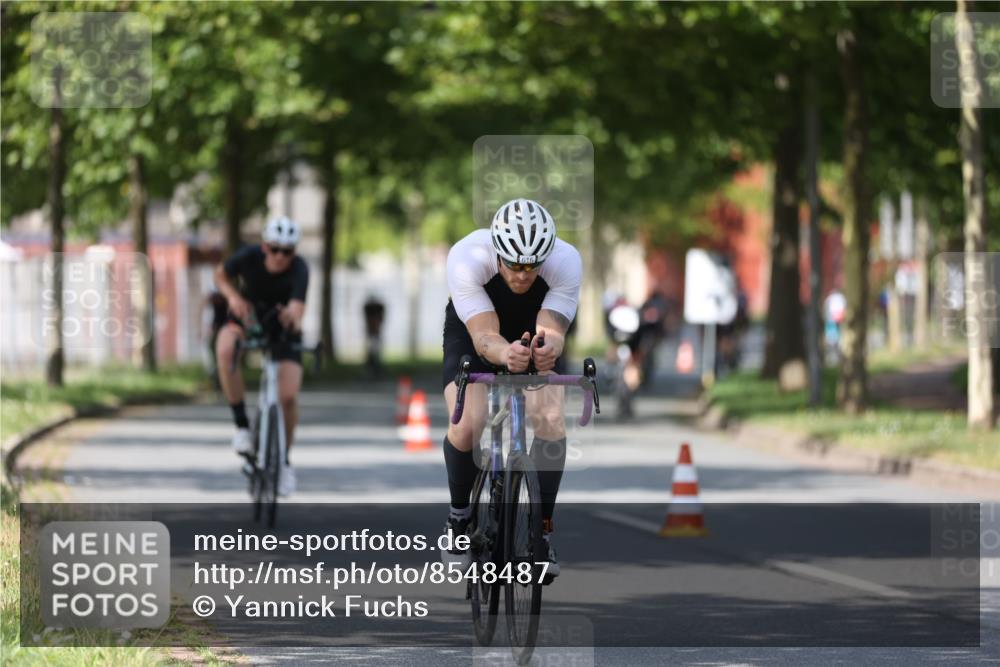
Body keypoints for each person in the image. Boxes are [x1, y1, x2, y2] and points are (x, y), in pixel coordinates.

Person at [440, 198, 582, 580]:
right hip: (475, 329)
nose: (523, 274)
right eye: (514, 265)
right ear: (497, 252)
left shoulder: (565, 261)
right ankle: (458, 520)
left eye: (532, 266)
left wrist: (549, 348)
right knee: (469, 420)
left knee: (550, 416)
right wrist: (505, 354)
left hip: (532, 322)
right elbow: (485, 336)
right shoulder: (468, 257)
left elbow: (551, 328)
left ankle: (542, 531)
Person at [214, 216, 309, 497]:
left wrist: (289, 316)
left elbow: (298, 310)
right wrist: (233, 297)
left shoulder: (300, 269)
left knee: (288, 396)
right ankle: (242, 425)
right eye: (275, 249)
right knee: (225, 348)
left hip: (282, 330)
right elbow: (220, 274)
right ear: (265, 247)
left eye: (288, 251)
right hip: (247, 319)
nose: (281, 256)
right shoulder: (248, 257)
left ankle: (284, 462)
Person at [362, 294, 386, 379]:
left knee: (376, 352)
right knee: (371, 352)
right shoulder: (371, 323)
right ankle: (372, 369)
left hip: (375, 335)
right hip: (372, 334)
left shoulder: (375, 316)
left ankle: (375, 370)